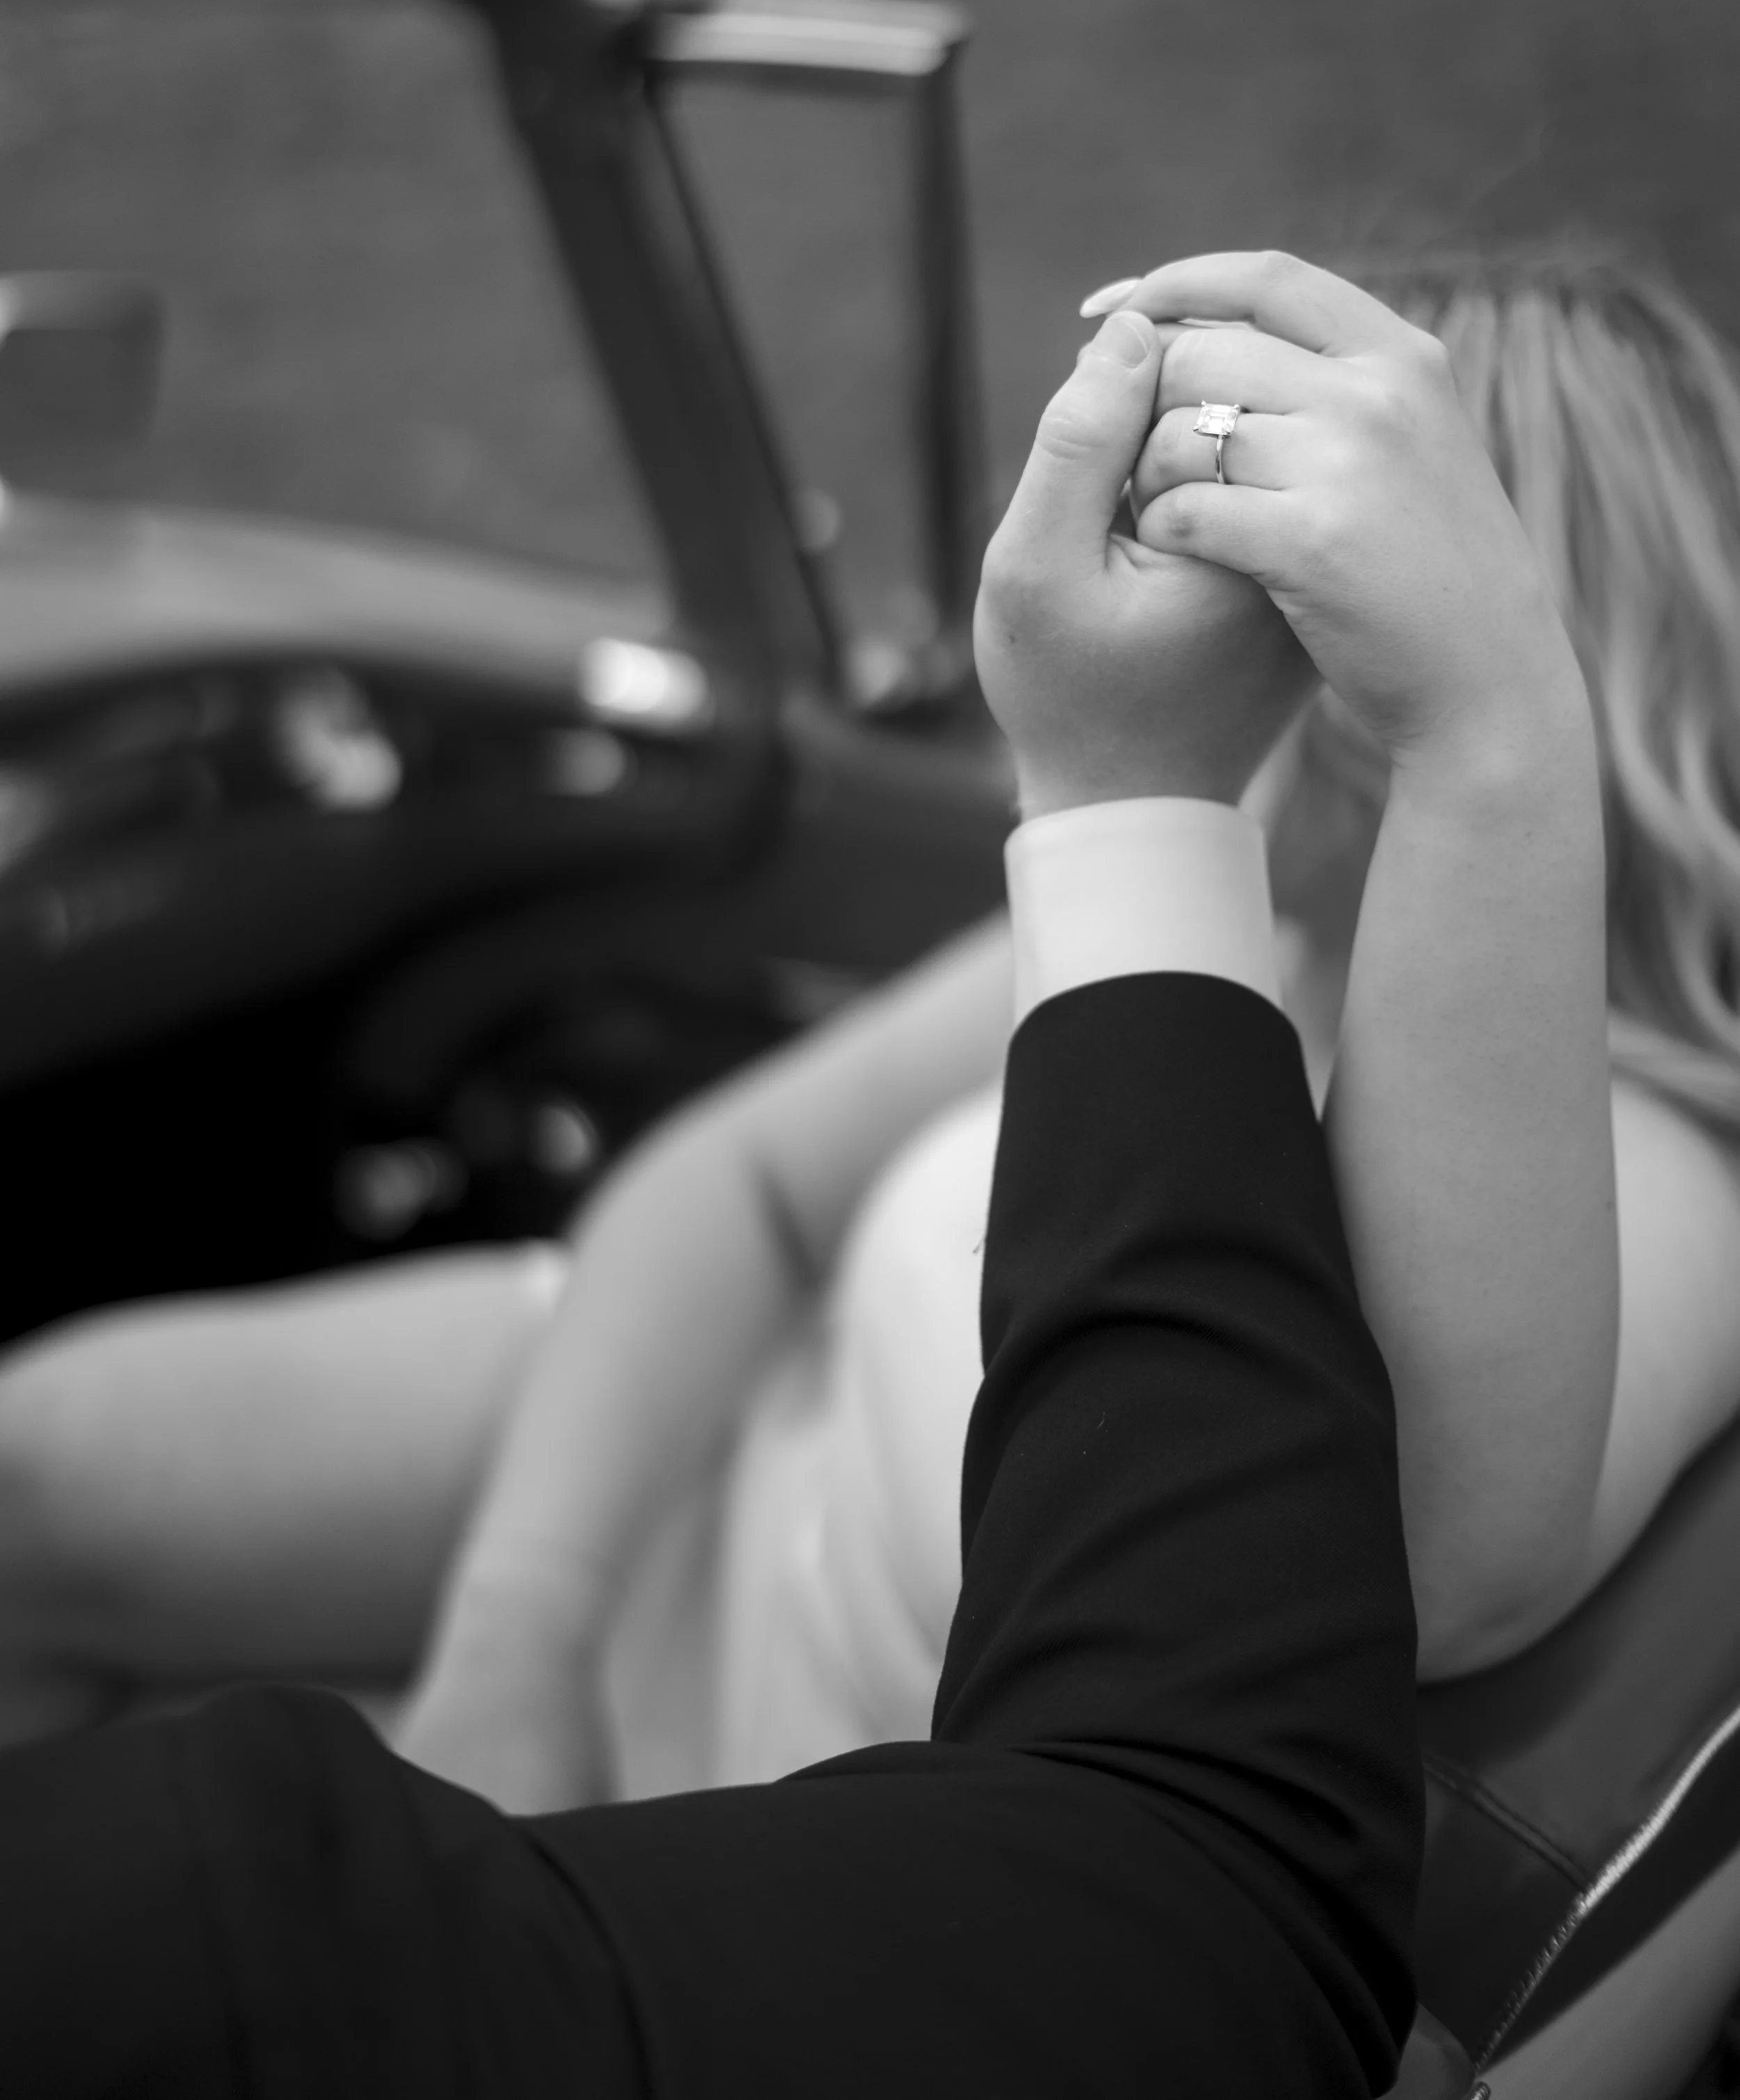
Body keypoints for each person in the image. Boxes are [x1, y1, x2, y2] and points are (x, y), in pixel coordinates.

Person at [0, 262, 1462, 2098]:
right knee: (38, 1468)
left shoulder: (1538, 1127)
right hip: (675, 1444)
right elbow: (741, 1182)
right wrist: (521, 1627)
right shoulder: (1208, 856)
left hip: (864, 1801)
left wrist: (1479, 760)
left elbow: (1466, 1549)